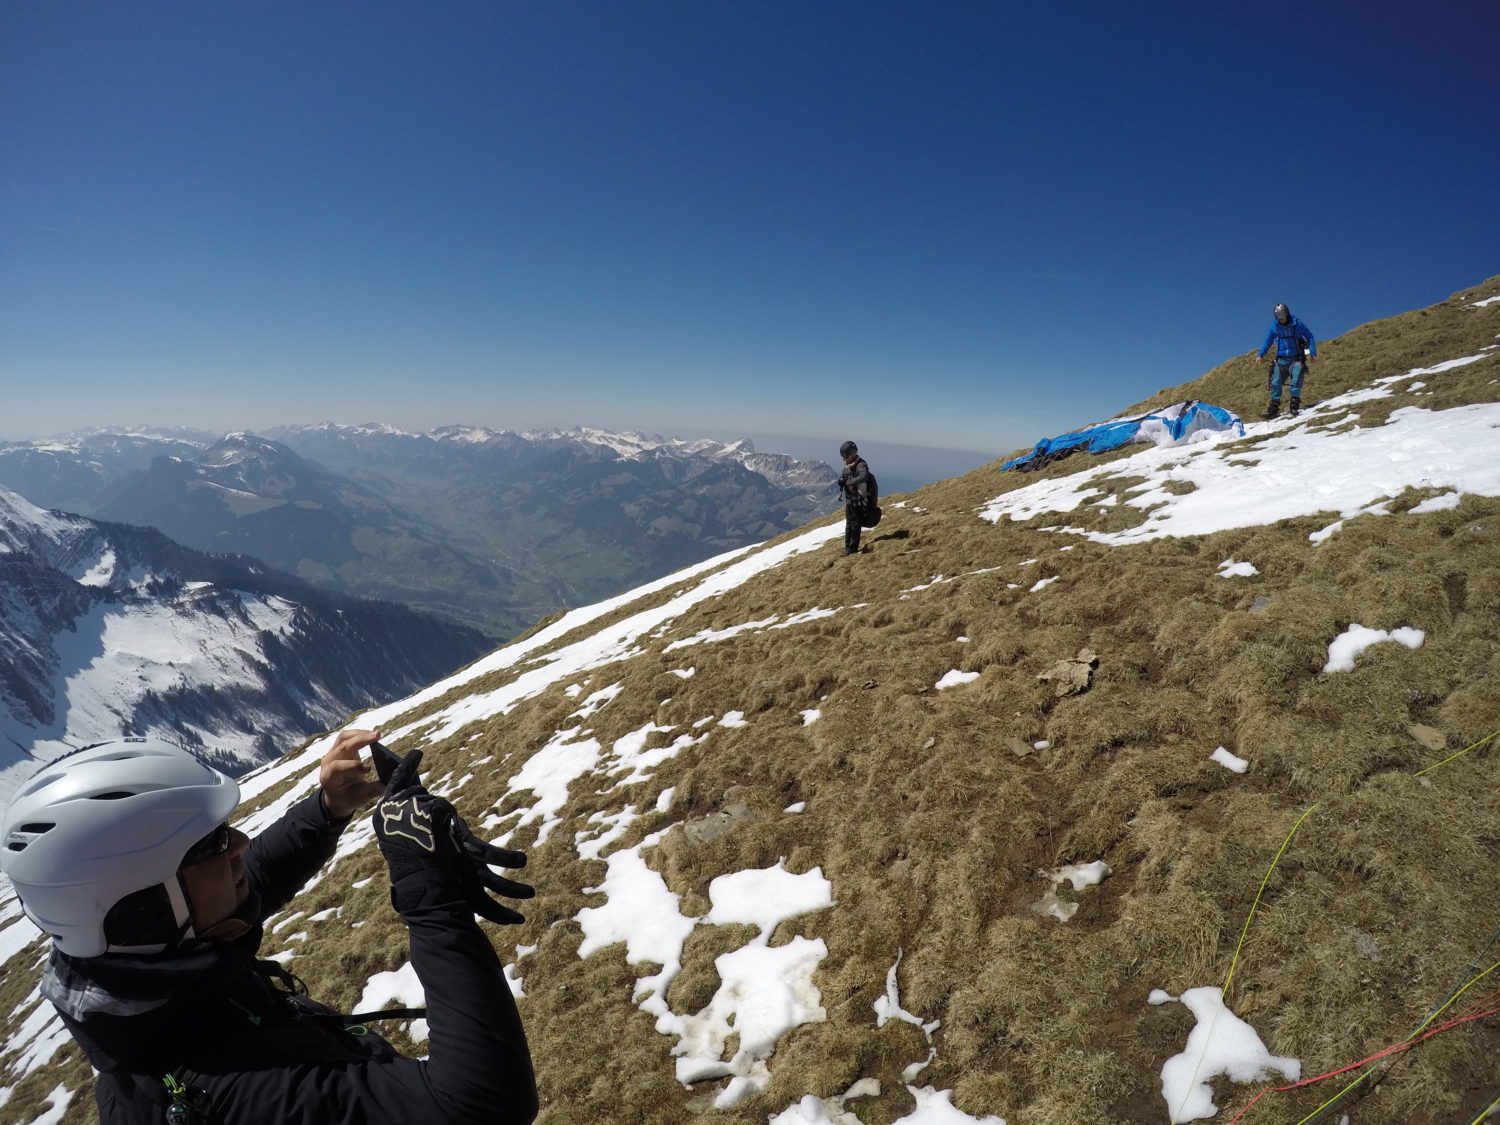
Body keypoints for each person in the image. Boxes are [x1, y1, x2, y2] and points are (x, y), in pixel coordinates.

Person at [0, 730, 538, 1125]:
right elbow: (480, 1106)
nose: (237, 845)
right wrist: (430, 898)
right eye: (210, 845)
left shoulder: (139, 969)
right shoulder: (235, 1095)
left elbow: (247, 880)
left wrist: (328, 809)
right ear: (146, 909)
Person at [1257, 302, 1317, 418]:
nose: (1282, 320)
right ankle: (1273, 408)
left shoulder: (1297, 324)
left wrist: (1312, 353)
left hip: (1296, 358)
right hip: (1280, 360)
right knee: (1275, 382)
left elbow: (1309, 336)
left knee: (1296, 381)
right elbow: (1268, 341)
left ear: (1287, 314)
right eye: (1280, 318)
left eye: (1284, 317)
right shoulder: (1275, 326)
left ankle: (1294, 405)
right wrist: (1261, 354)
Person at [836, 440, 873, 556]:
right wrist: (842, 482)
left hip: (860, 501)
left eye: (845, 456)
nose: (844, 459)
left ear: (852, 454)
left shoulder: (861, 465)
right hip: (851, 501)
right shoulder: (847, 468)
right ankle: (847, 547)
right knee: (849, 524)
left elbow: (864, 476)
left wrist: (851, 482)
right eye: (843, 457)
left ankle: (852, 549)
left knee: (855, 524)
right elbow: (843, 478)